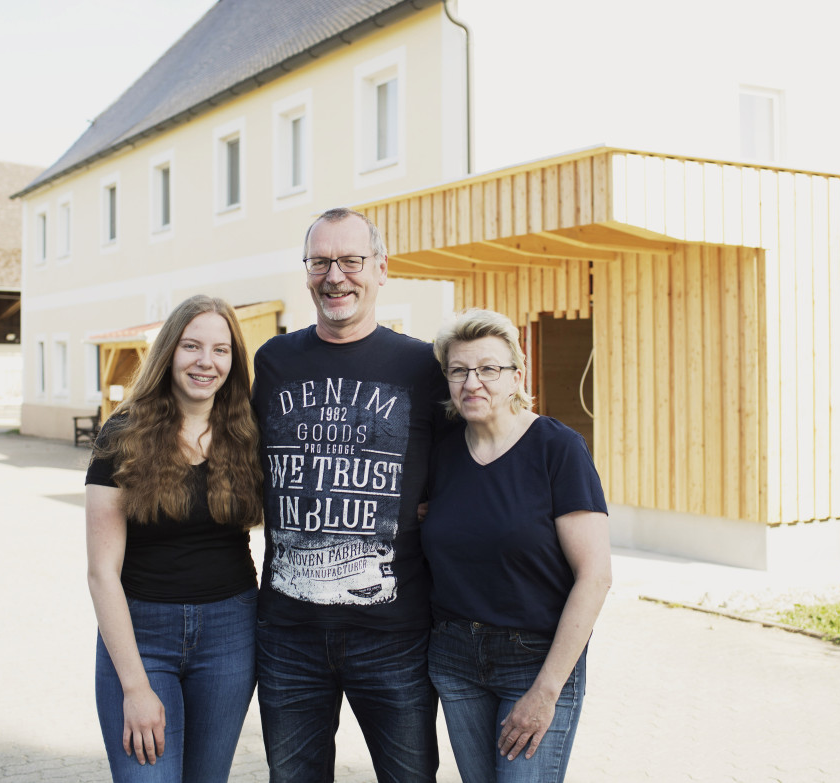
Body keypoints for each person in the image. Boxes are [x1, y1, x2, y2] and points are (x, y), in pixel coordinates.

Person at [250, 207, 451, 782]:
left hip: (393, 633)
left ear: (381, 269)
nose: (335, 276)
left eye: (351, 261)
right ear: (307, 271)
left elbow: (457, 465)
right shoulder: (275, 360)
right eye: (320, 262)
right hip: (288, 634)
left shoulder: (422, 365)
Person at [421, 308, 612, 783]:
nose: (472, 383)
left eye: (488, 369)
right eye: (459, 371)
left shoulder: (557, 448)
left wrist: (546, 691)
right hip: (454, 658)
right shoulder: (442, 454)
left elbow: (596, 576)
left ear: (516, 377)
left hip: (534, 660)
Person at [85, 294, 264, 782]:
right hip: (142, 636)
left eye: (221, 350)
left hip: (231, 632)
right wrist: (136, 687)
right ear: (169, 352)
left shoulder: (248, 432)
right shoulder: (122, 434)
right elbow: (102, 573)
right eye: (192, 346)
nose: (206, 362)